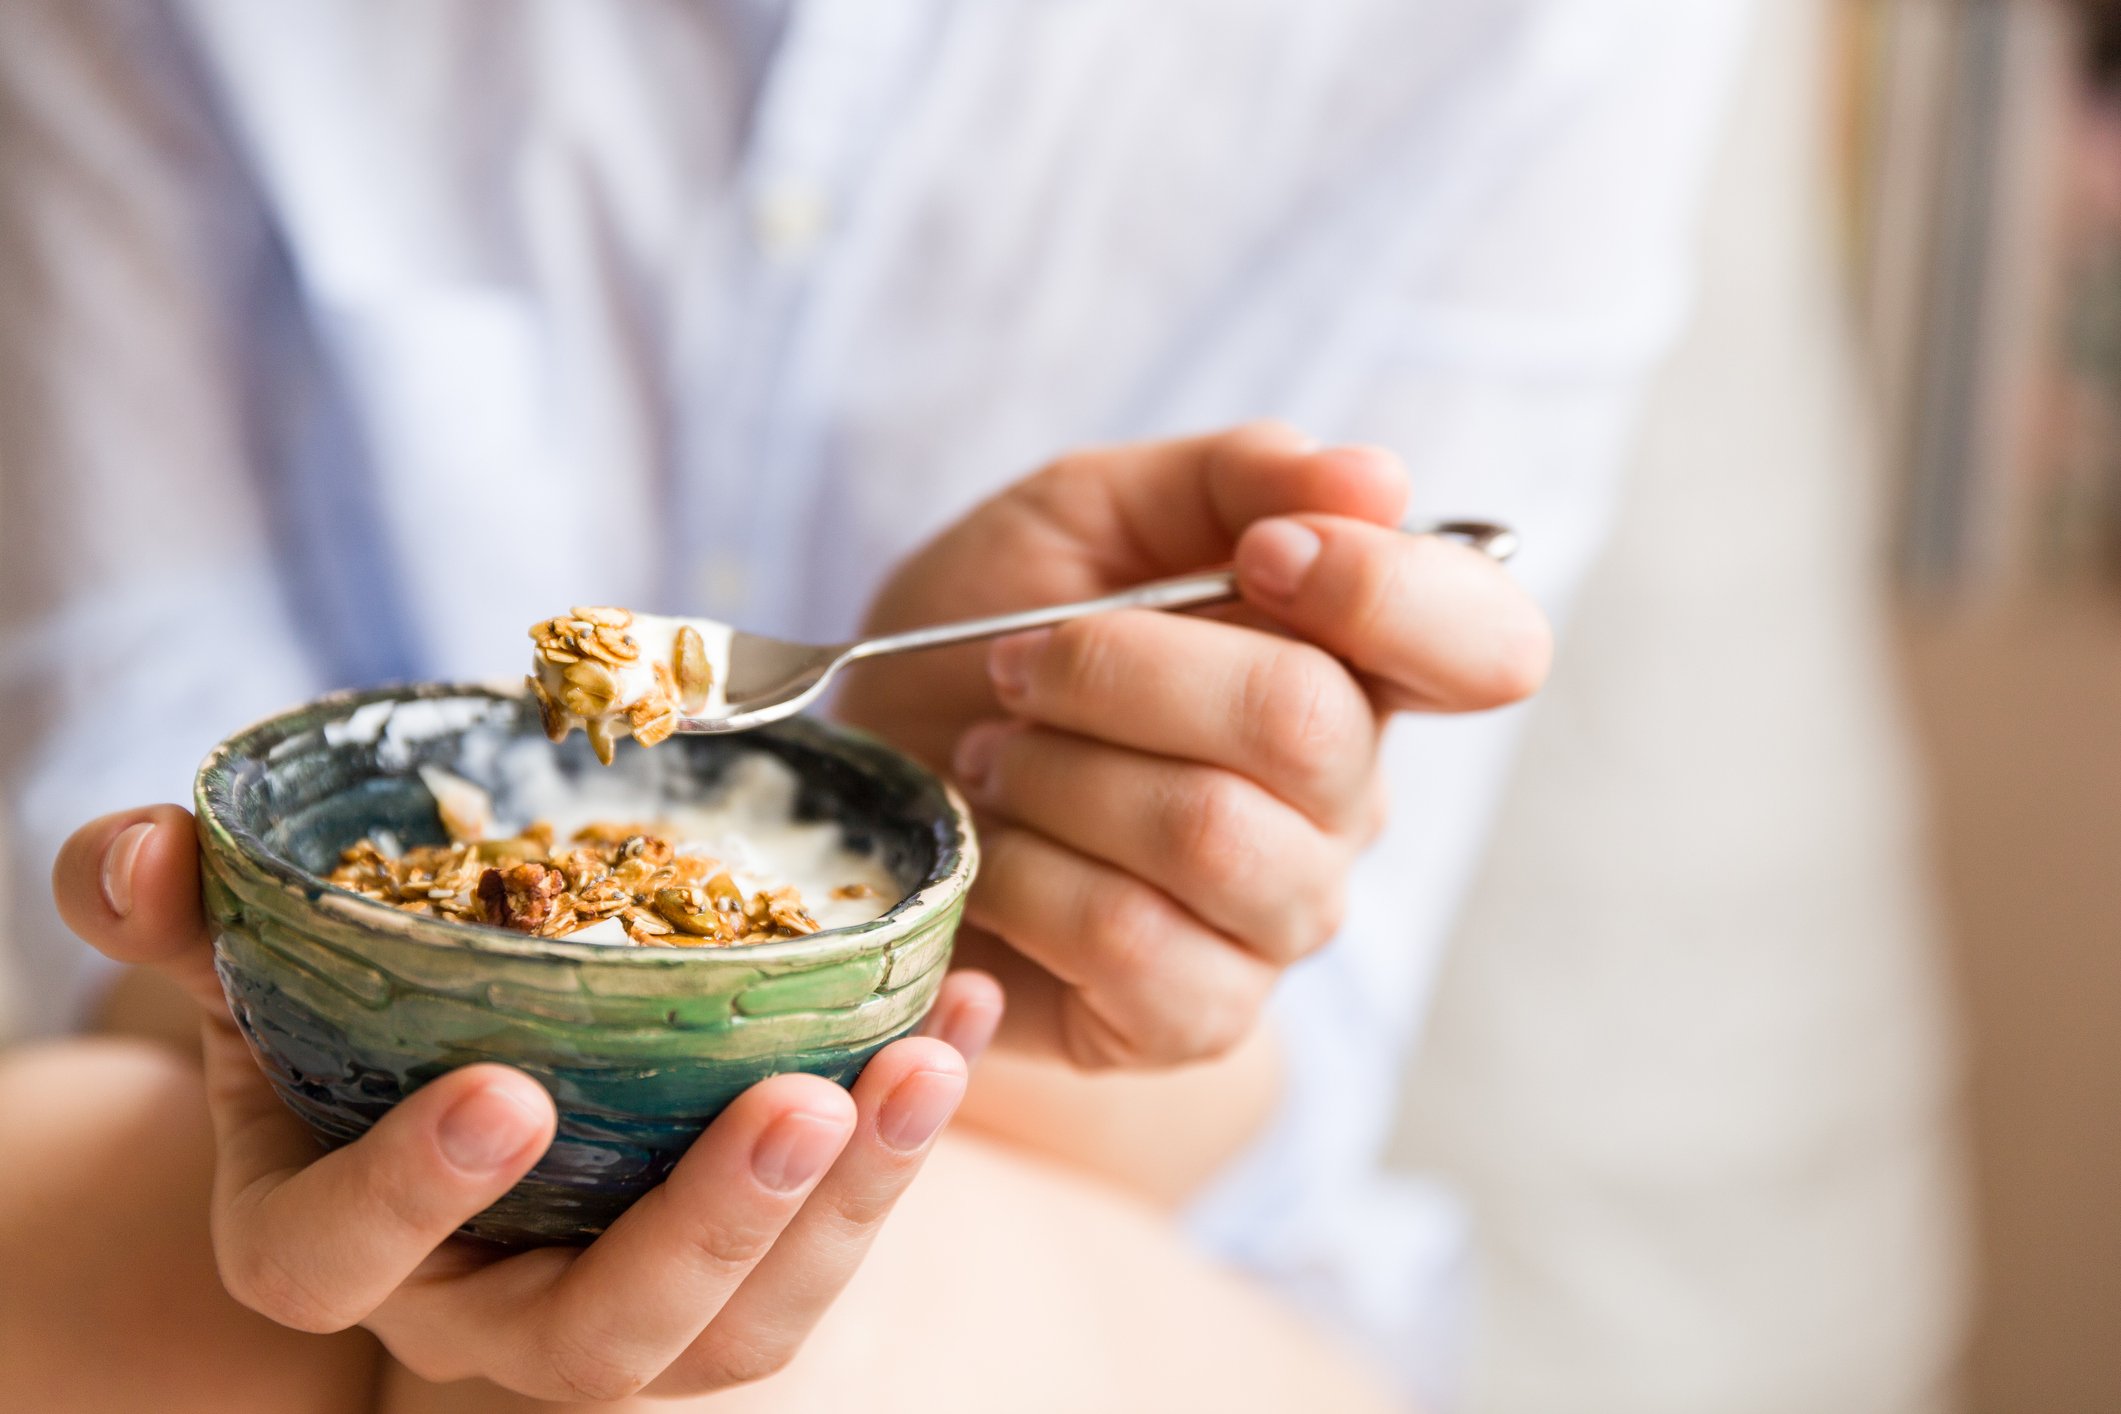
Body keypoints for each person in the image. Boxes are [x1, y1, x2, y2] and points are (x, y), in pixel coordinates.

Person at [0, 2, 1752, 1409]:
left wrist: (974, 877)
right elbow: (123, 810)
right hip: (253, 1077)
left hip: (1081, 1190)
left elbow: (1260, 1080)